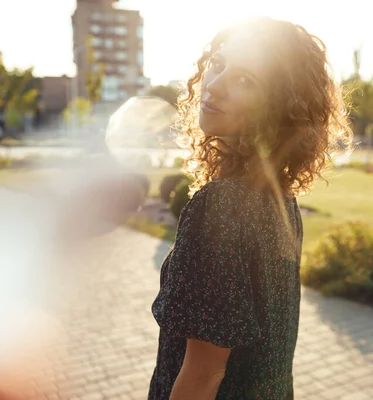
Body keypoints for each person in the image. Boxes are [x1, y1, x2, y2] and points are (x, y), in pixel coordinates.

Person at [148, 17, 352, 400]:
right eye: (219, 64)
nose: (214, 84)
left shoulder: (221, 206)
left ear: (275, 111)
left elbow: (202, 377)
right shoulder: (279, 200)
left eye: (246, 80)